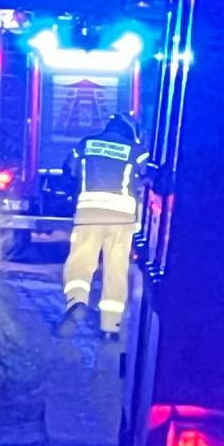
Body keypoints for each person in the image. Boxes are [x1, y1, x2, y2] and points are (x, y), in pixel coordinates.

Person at [56, 113, 150, 340]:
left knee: (80, 263)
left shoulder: (86, 144)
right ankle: (111, 327)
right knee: (116, 269)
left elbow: (68, 170)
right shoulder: (136, 151)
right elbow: (149, 175)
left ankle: (76, 302)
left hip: (88, 215)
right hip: (122, 220)